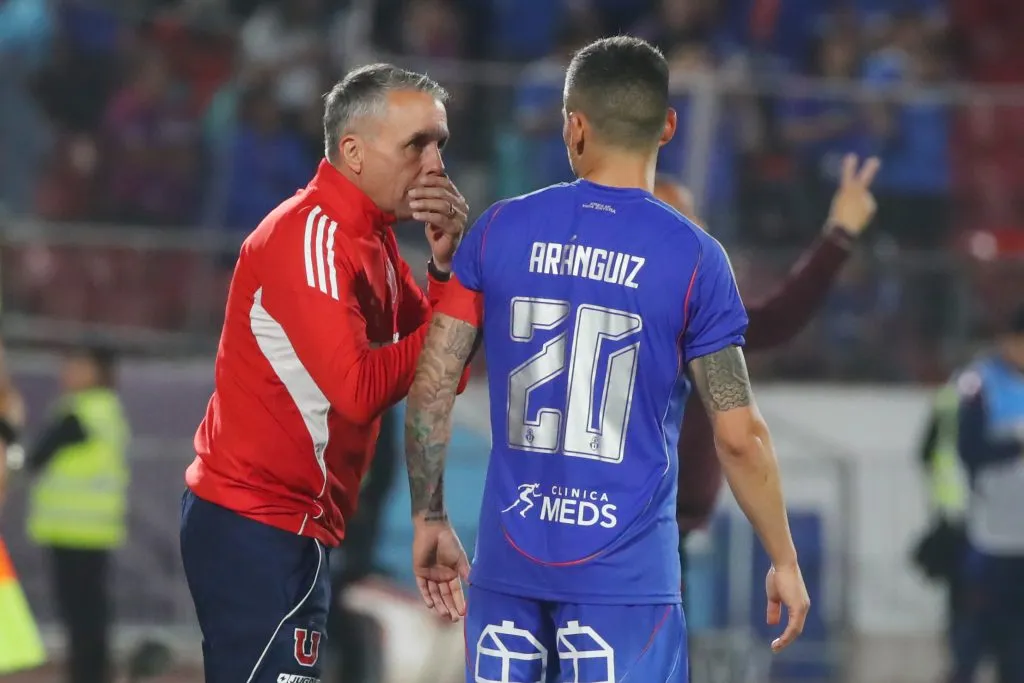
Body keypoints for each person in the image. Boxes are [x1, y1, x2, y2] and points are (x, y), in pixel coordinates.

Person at [403, 36, 811, 682]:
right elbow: (739, 435)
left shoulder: (499, 229)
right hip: (627, 582)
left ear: (574, 126)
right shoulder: (696, 259)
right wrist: (783, 557)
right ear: (669, 126)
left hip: (509, 567)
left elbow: (431, 386)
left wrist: (428, 514)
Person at [179, 63, 471, 683]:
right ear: (353, 152)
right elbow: (361, 389)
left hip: (291, 525)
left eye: (440, 143)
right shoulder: (310, 234)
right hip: (257, 522)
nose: (436, 164)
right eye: (416, 143)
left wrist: (446, 270)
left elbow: (448, 371)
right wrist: (455, 318)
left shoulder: (377, 243)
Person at [652, 156, 880, 589]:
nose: (697, 225)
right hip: (643, 533)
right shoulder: (674, 320)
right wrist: (840, 233)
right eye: (680, 216)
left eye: (695, 213)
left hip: (637, 527)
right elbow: (742, 439)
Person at [25, 343, 129, 683]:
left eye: (77, 365)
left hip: (77, 531)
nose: (67, 372)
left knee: (82, 616)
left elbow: (36, 456)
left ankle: (88, 676)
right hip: (85, 530)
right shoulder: (99, 409)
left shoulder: (86, 412)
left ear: (97, 371)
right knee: (88, 615)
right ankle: (91, 674)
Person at [948, 306, 1024, 683]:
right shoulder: (981, 383)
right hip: (991, 535)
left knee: (1016, 647)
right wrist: (1014, 445)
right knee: (973, 638)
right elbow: (969, 448)